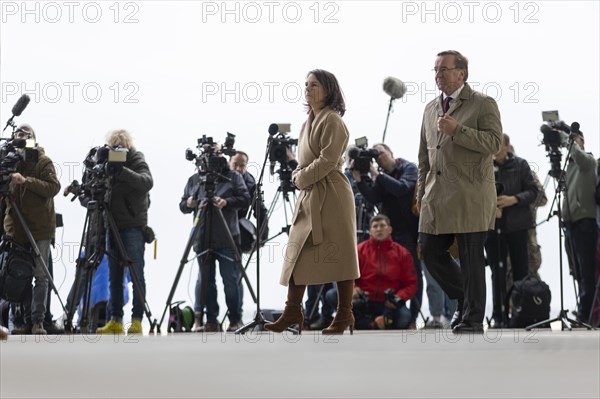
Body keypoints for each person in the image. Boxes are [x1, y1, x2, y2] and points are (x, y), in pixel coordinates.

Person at [264, 69, 360, 335]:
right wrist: (298, 174)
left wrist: (300, 178)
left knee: (341, 255)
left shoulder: (333, 120)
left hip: (332, 194)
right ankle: (293, 310)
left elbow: (329, 160)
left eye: (314, 84)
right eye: (306, 84)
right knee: (297, 252)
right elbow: (307, 162)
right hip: (310, 193)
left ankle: (344, 314)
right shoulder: (308, 122)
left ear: (328, 89)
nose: (307, 88)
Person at [417, 50, 502, 334]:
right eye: (435, 69)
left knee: (471, 258)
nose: (438, 74)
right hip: (436, 197)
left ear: (461, 73)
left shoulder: (482, 103)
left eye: (444, 69)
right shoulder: (430, 108)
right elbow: (424, 158)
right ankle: (464, 298)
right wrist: (420, 195)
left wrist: (458, 130)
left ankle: (473, 319)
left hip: (471, 194)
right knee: (429, 251)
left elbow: (493, 143)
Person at [352, 143, 422, 328]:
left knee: (413, 273)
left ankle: (413, 318)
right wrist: (359, 179)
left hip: (408, 231)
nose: (380, 157)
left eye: (381, 152)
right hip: (390, 231)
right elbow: (374, 197)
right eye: (376, 156)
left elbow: (401, 188)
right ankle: (383, 316)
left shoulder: (408, 167)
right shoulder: (381, 177)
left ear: (391, 152)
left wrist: (376, 174)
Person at [179, 151, 250, 333]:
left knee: (231, 280)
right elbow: (183, 206)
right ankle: (211, 320)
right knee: (206, 281)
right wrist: (189, 203)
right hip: (202, 237)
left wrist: (226, 202)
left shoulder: (233, 177)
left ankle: (235, 319)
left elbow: (245, 199)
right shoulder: (195, 180)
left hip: (227, 237)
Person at [3, 124, 60, 335]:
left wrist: (25, 180)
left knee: (41, 275)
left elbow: (53, 187)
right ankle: (22, 320)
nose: (23, 136)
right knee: (18, 273)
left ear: (34, 139)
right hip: (15, 227)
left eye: (28, 135)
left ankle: (38, 321)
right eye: (19, 134)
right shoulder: (9, 162)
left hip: (40, 227)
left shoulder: (43, 161)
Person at [96, 130, 153, 335]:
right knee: (115, 276)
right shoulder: (106, 163)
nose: (118, 149)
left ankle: (136, 320)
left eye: (121, 146)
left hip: (133, 226)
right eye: (114, 146)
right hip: (112, 225)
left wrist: (122, 171)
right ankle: (116, 320)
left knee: (137, 274)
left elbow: (147, 182)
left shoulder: (136, 158)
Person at [485, 133, 539, 327]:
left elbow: (534, 192)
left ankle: (521, 314)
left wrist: (513, 200)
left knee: (520, 271)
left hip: (517, 226)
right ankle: (498, 317)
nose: (495, 148)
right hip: (492, 228)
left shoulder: (521, 165)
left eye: (498, 145)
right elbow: (475, 194)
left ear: (508, 147)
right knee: (496, 272)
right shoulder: (483, 166)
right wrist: (491, 209)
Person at [327, 215, 416, 330]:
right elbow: (346, 276)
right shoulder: (358, 251)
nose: (379, 229)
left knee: (404, 319)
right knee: (332, 295)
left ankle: (371, 323)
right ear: (370, 231)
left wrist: (399, 297)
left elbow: (411, 283)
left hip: (389, 303)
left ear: (390, 229)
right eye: (375, 226)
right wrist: (353, 288)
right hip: (363, 300)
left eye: (382, 226)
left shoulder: (403, 254)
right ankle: (372, 324)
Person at [559, 129, 597, 322]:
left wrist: (568, 138)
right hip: (570, 225)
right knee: (577, 271)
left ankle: (587, 314)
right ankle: (583, 310)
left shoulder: (589, 161)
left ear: (582, 141)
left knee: (587, 272)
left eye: (577, 139)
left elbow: (580, 157)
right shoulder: (569, 167)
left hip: (585, 224)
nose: (572, 143)